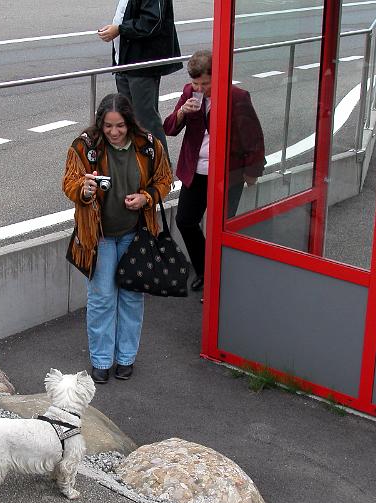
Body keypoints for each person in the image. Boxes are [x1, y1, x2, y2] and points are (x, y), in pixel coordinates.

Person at [63, 93, 172, 384]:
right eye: (108, 126)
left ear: (129, 123)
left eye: (120, 126)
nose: (114, 132)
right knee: (102, 298)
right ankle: (101, 360)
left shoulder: (148, 145)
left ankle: (126, 358)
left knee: (132, 297)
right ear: (100, 123)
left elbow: (165, 180)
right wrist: (84, 190)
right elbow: (69, 182)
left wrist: (146, 198)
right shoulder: (84, 146)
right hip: (98, 236)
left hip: (135, 233)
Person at [163, 49, 265, 292]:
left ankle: (218, 280)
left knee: (221, 228)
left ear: (218, 77)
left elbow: (253, 137)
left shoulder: (237, 97)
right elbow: (169, 128)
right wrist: (181, 112)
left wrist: (253, 171)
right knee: (185, 220)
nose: (200, 88)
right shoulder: (190, 94)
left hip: (226, 173)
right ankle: (204, 270)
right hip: (196, 169)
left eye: (205, 83)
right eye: (196, 83)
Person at [98, 0, 181, 161]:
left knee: (145, 118)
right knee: (128, 117)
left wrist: (119, 29)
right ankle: (137, 163)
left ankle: (161, 167)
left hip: (142, 64)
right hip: (125, 61)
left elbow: (152, 21)